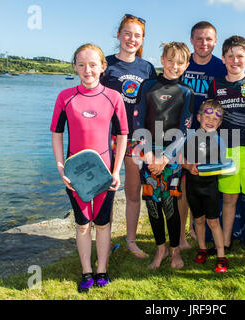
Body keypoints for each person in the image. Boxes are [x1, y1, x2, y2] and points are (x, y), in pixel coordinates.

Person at [51, 43, 128, 292]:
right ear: (74, 67)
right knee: (83, 223)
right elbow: (56, 134)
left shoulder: (113, 97)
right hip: (75, 174)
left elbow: (123, 135)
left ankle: (102, 269)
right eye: (82, 65)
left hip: (105, 172)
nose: (87, 70)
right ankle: (86, 272)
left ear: (102, 67)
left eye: (93, 64)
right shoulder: (65, 97)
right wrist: (62, 167)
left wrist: (116, 171)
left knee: (103, 223)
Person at [133, 42, 194, 269]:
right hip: (148, 154)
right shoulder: (147, 86)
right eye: (170, 60)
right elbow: (138, 121)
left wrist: (167, 158)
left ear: (186, 65)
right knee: (152, 205)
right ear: (162, 59)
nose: (174, 66)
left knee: (170, 203)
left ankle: (175, 251)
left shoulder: (186, 93)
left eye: (180, 62)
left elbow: (185, 129)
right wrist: (148, 154)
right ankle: (160, 250)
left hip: (172, 158)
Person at [100, 14, 157, 259]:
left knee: (133, 192)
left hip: (136, 138)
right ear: (119, 35)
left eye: (137, 35)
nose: (131, 39)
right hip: (108, 137)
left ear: (142, 39)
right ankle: (105, 239)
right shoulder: (106, 64)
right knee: (106, 190)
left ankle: (131, 241)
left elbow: (154, 105)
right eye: (128, 33)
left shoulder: (147, 68)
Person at [208, 36, 245, 265]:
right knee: (229, 198)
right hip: (226, 149)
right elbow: (210, 121)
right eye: (230, 56)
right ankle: (225, 242)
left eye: (240, 56)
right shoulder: (215, 84)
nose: (235, 60)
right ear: (223, 59)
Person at [179, 21, 227, 249]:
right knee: (183, 183)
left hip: (208, 133)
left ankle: (197, 229)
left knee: (201, 178)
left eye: (208, 39)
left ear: (215, 41)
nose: (203, 43)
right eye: (199, 38)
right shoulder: (183, 62)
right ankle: (180, 234)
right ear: (191, 40)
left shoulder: (220, 67)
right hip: (182, 131)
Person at [183, 99, 228, 273]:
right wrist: (189, 166)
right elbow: (181, 160)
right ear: (198, 117)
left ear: (220, 123)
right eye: (207, 116)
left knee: (213, 221)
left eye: (215, 119)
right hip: (193, 188)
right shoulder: (190, 138)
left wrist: (218, 167)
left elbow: (224, 165)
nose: (210, 121)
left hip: (210, 189)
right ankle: (202, 248)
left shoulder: (220, 141)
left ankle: (221, 255)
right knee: (198, 220)